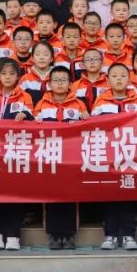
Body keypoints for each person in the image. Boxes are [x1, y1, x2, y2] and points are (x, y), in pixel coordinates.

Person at [0, 58, 34, 251]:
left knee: (15, 195)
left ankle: (13, 235)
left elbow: (33, 119)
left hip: (16, 153)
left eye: (12, 74)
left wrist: (25, 116)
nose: (8, 77)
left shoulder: (25, 96)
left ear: (18, 76)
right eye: (4, 74)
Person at [90, 63, 137, 250]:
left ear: (129, 79)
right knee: (110, 195)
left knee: (129, 195)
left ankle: (129, 235)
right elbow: (93, 126)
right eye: (114, 76)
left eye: (123, 76)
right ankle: (111, 235)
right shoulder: (101, 102)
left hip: (132, 156)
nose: (119, 79)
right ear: (108, 80)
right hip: (109, 156)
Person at [34, 65, 89, 249]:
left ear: (70, 84)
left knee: (70, 196)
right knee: (51, 197)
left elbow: (87, 128)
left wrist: (86, 118)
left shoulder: (79, 104)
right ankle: (54, 235)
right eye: (56, 80)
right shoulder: (42, 104)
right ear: (49, 84)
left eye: (63, 80)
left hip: (72, 160)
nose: (59, 83)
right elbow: (32, 129)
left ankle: (69, 235)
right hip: (49, 158)